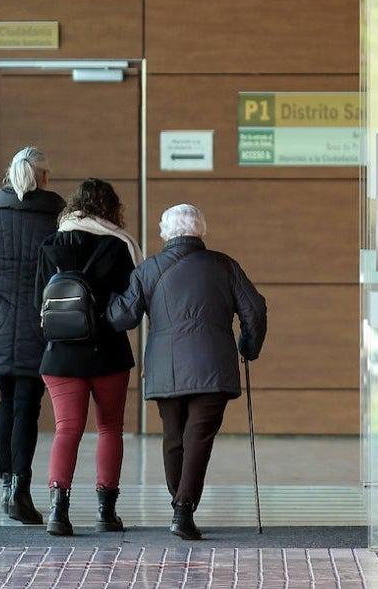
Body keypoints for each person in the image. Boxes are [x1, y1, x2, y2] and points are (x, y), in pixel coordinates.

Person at [107, 204, 266, 541]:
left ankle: (180, 504)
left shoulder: (148, 269)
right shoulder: (224, 265)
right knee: (198, 437)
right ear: (200, 230)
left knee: (174, 437)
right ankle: (183, 509)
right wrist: (248, 346)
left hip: (166, 369)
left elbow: (124, 317)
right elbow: (255, 308)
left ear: (166, 232)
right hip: (213, 366)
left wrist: (102, 300)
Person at [0, 146, 65, 524]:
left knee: (7, 401)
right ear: (44, 178)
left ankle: (7, 486)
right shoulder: (56, 217)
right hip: (38, 323)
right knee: (27, 405)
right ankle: (20, 488)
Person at [35, 179, 143, 537]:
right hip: (108, 353)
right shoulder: (120, 246)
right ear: (111, 209)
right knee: (110, 428)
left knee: (67, 429)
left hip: (61, 356)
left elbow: (40, 302)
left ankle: (57, 512)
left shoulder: (50, 244)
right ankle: (106, 512)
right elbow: (132, 302)